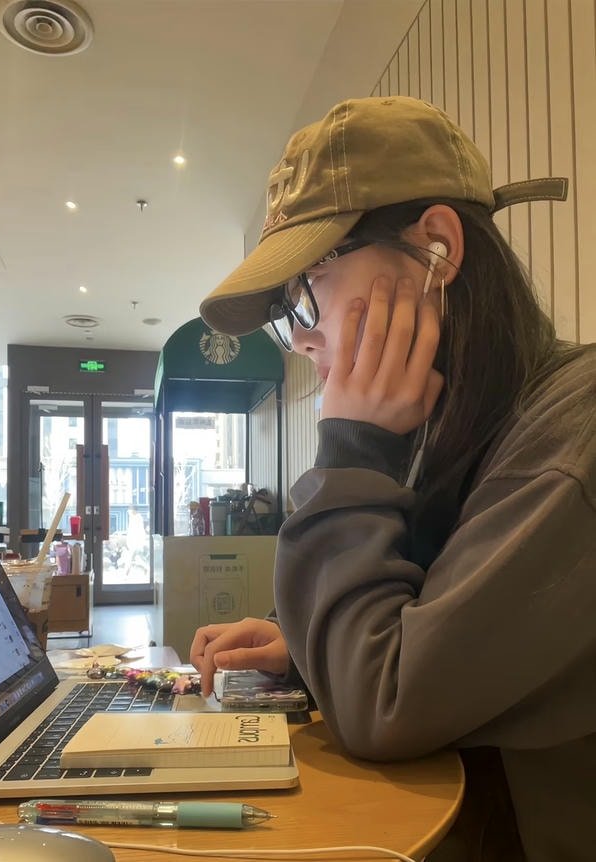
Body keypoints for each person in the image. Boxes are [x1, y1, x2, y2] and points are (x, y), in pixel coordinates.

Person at [189, 97, 596, 862]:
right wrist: (304, 647)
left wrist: (350, 448)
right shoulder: (471, 430)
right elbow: (422, 647)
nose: (302, 340)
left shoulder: (574, 430)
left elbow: (384, 704)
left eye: (309, 286)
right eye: (287, 313)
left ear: (437, 249)